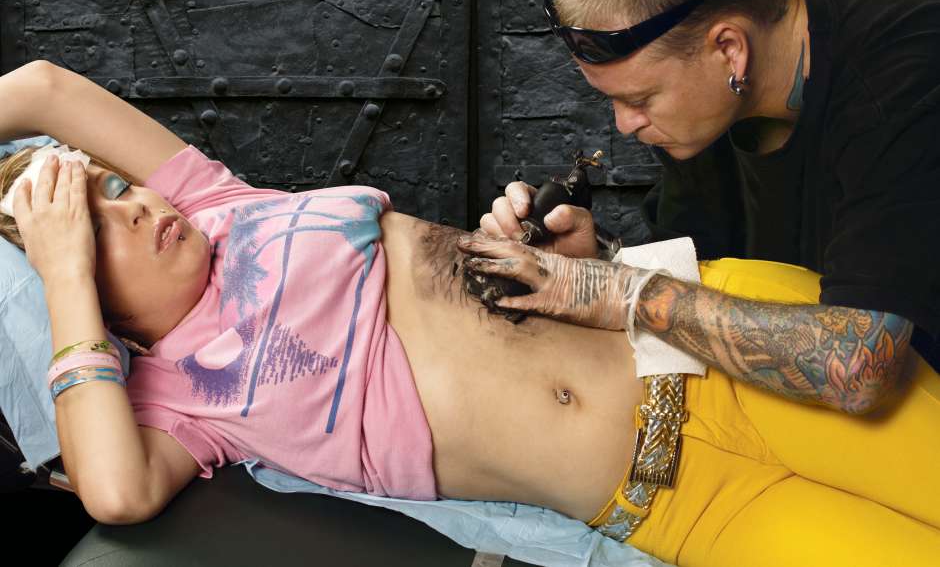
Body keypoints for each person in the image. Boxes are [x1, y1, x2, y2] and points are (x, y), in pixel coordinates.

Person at [2, 61, 939, 567]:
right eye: (96, 230)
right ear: (76, 288)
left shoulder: (221, 205)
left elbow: (41, 88)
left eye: (115, 187)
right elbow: (116, 494)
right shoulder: (179, 405)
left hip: (717, 348)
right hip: (691, 504)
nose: (136, 207)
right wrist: (64, 265)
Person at [472, 0, 940, 414]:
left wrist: (622, 293)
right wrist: (598, 262)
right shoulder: (709, 84)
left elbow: (857, 369)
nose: (624, 124)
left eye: (640, 99)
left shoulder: (904, 79)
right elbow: (706, 280)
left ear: (729, 50)